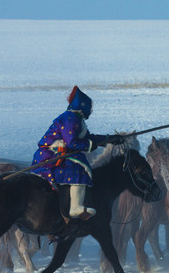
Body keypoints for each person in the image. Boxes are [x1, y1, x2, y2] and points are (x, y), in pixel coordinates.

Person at [31, 86, 123, 220]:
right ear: (83, 106)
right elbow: (71, 142)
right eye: (90, 108)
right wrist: (90, 146)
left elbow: (87, 137)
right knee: (79, 170)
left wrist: (108, 139)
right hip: (52, 154)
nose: (91, 111)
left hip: (63, 151)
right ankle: (76, 207)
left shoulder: (76, 118)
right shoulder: (71, 118)